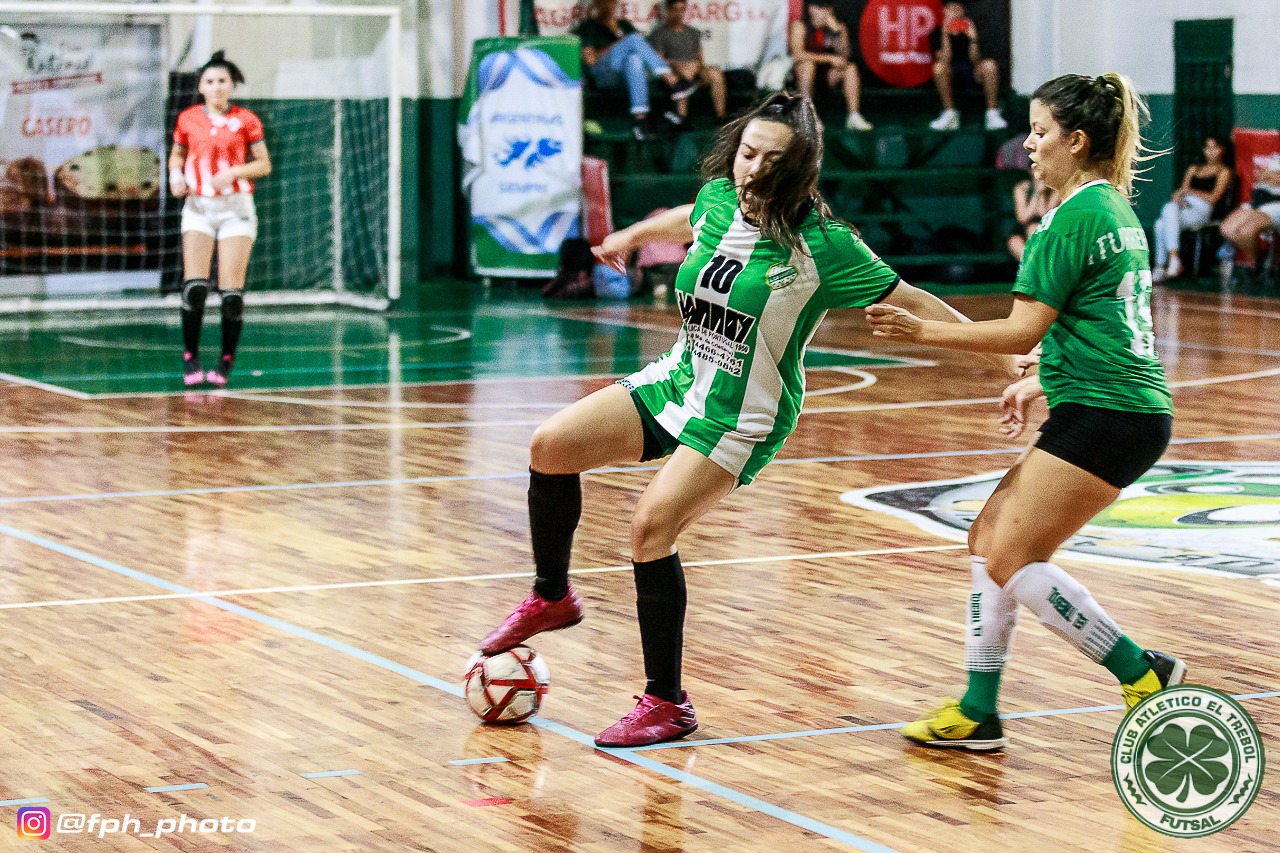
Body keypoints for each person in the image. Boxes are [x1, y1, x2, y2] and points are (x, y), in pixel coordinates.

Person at [477, 92, 1004, 747]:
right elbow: (688, 216)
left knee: (650, 526)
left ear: (799, 169)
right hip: (681, 378)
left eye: (769, 159)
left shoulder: (826, 246)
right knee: (551, 445)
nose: (751, 168)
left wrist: (1001, 349)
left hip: (742, 412)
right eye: (746, 151)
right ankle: (552, 594)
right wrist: (632, 237)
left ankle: (666, 702)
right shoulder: (720, 198)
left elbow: (913, 297)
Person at [867, 73, 1185, 751]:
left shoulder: (1071, 221)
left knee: (1011, 554)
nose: (1029, 145)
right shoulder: (1112, 210)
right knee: (987, 540)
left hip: (1111, 413)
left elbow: (1019, 329)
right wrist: (1041, 381)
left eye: (1040, 132)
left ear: (1076, 141)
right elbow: (1107, 327)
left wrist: (922, 332)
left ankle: (1141, 671)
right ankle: (979, 707)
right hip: (1110, 404)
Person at [169, 51, 271, 388]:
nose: (216, 87)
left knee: (231, 293)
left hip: (235, 208)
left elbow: (263, 164)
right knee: (195, 287)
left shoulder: (246, 119)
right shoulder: (187, 119)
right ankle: (190, 355)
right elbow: (178, 155)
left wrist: (234, 172)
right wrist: (174, 174)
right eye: (210, 81)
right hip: (199, 207)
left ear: (232, 84)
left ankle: (226, 359)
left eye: (222, 81)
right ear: (200, 86)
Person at [575, 0, 699, 141]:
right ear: (597, 4)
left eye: (612, 2)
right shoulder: (589, 26)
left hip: (624, 77)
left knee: (634, 59)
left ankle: (640, 120)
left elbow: (641, 53)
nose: (609, 5)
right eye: (605, 2)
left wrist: (621, 36)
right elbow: (591, 61)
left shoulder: (624, 25)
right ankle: (674, 82)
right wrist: (621, 43)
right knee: (633, 40)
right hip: (602, 75)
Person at [1152, 135, 1232, 281]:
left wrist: (1190, 191)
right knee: (1164, 217)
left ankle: (1164, 264)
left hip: (1203, 209)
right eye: (1207, 148)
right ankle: (1168, 263)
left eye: (1215, 148)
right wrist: (1178, 197)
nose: (1211, 151)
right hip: (1184, 206)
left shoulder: (1223, 171)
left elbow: (1214, 197)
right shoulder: (1194, 168)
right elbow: (1182, 190)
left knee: (1162, 221)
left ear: (1222, 149)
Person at [789, 1, 873, 132]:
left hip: (826, 76)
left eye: (827, 8)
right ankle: (806, 119)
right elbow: (798, 55)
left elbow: (845, 55)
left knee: (850, 68)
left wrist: (838, 33)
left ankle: (853, 116)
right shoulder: (800, 26)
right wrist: (829, 58)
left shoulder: (837, 27)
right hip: (802, 77)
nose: (824, 12)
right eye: (820, 8)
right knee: (807, 66)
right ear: (811, 9)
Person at [928, 1, 1007, 132]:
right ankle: (950, 114)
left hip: (973, 72)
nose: (954, 13)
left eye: (957, 9)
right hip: (951, 73)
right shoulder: (936, 33)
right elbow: (944, 60)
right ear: (944, 11)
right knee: (939, 68)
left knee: (990, 65)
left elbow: (977, 60)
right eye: (950, 9)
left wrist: (973, 39)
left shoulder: (975, 29)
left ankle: (992, 113)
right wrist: (945, 35)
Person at [648, 0, 728, 127]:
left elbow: (700, 59)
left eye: (682, 9)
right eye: (675, 10)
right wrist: (677, 65)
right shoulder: (660, 34)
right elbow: (659, 62)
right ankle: (682, 116)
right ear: (668, 11)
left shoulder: (693, 32)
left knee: (715, 72)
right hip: (675, 71)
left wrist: (696, 67)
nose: (679, 13)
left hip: (695, 69)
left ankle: (721, 117)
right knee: (685, 70)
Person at [1219, 149, 1280, 272]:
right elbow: (1260, 177)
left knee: (1246, 231)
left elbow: (1272, 178)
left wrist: (1273, 176)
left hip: (1276, 204)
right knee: (1227, 229)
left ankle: (1257, 264)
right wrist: (1271, 176)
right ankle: (1258, 258)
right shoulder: (1275, 157)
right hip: (1258, 202)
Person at [1007, 171, 1058, 261]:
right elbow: (1022, 218)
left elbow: (1045, 214)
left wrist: (1042, 193)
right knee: (1014, 242)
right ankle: (1032, 267)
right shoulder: (1021, 187)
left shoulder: (1056, 190)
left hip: (1047, 226)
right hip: (1024, 226)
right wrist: (1036, 193)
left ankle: (1039, 267)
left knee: (1033, 228)